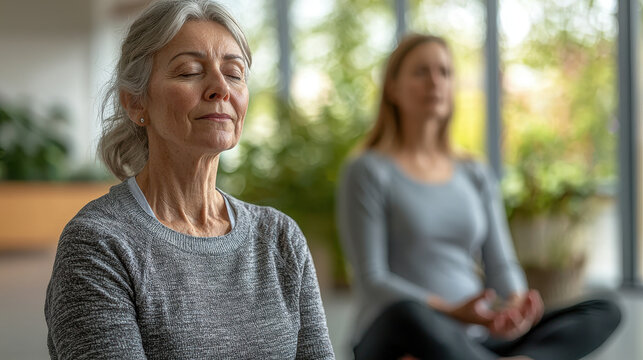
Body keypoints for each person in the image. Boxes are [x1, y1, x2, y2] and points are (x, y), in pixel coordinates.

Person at [44, 1, 334, 358]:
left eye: (234, 72)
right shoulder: (98, 243)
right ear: (136, 103)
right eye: (190, 71)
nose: (220, 89)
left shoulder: (279, 237)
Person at [336, 33, 621, 360]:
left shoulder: (474, 171)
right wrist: (452, 310)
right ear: (393, 87)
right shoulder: (367, 170)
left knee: (603, 308)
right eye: (420, 72)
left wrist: (515, 302)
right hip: (401, 333)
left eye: (444, 72)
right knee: (407, 313)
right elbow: (372, 280)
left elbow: (501, 262)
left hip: (474, 340)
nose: (435, 81)